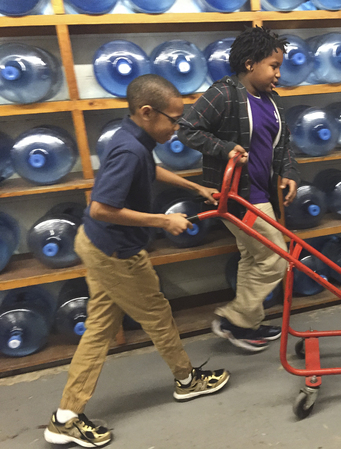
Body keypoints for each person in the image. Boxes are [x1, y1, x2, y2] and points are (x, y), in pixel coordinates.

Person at [44, 74, 230, 448]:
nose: (177, 127)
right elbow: (101, 208)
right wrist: (163, 220)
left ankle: (65, 417)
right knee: (158, 315)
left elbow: (148, 169)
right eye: (173, 119)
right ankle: (186, 380)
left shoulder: (131, 140)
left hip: (98, 246)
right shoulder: (130, 149)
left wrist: (194, 187)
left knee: (99, 328)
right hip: (115, 253)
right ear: (147, 112)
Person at [178, 26, 300, 353]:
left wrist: (287, 171)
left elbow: (283, 143)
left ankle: (249, 324)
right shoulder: (224, 94)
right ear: (250, 63)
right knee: (276, 258)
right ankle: (235, 318)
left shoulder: (272, 102)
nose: (278, 73)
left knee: (252, 256)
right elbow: (187, 130)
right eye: (274, 66)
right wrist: (225, 148)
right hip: (237, 196)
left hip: (262, 192)